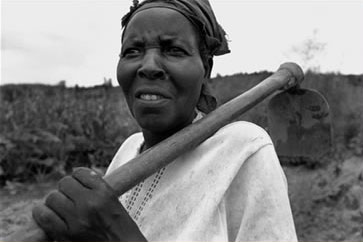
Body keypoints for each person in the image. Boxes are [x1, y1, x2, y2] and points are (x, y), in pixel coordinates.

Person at [32, 0, 298, 241]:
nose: (148, 66)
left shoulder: (243, 148)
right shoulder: (128, 150)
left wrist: (115, 234)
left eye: (173, 50)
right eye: (132, 51)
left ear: (206, 69)